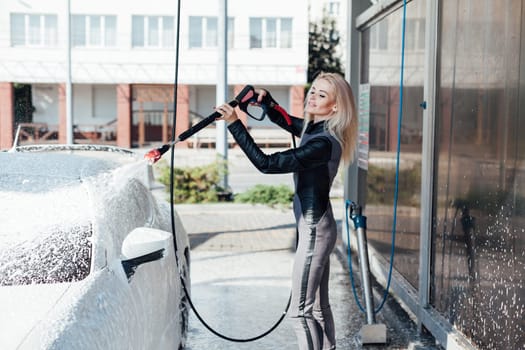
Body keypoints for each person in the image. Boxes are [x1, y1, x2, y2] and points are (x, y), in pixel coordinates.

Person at [216, 72, 358, 350]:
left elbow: (267, 164)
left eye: (321, 95)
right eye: (312, 90)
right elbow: (288, 121)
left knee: (300, 312)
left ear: (336, 106)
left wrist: (234, 124)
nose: (312, 97)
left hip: (316, 231)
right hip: (320, 228)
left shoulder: (322, 142)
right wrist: (266, 102)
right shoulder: (316, 129)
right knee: (317, 308)